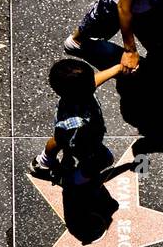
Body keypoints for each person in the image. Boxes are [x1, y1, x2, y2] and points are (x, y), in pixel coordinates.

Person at [28, 57, 121, 185]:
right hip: (82, 141)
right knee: (101, 160)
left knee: (56, 140)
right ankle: (71, 181)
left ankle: (43, 162)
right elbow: (83, 140)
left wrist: (118, 68)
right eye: (91, 82)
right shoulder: (79, 123)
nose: (94, 82)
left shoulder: (74, 93)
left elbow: (95, 80)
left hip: (64, 129)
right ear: (86, 89)